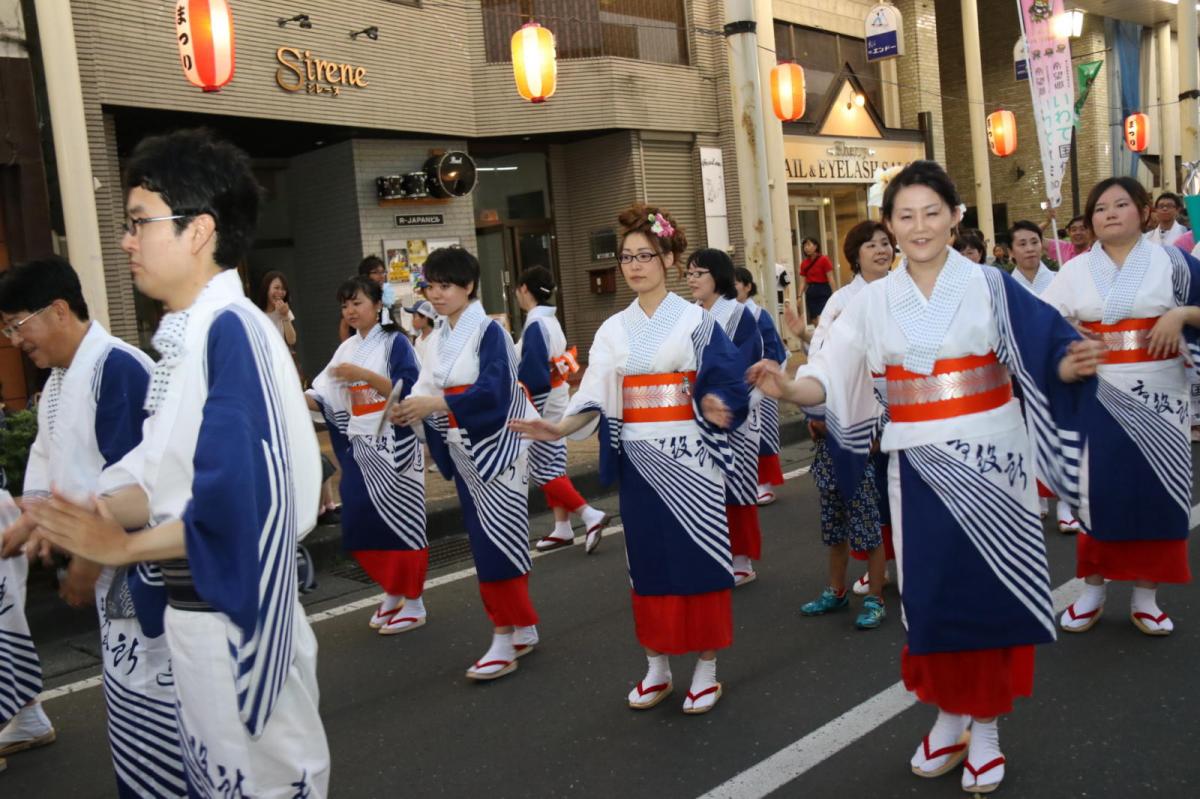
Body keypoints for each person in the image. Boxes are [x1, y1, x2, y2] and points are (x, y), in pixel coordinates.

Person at [749, 160, 1102, 793]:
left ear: (955, 217)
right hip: (917, 466)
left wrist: (1067, 367)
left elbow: (1046, 344)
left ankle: (985, 726)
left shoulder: (991, 285)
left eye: (931, 213)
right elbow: (829, 371)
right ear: (888, 224)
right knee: (931, 597)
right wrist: (792, 388)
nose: (918, 227)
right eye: (905, 215)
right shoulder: (869, 301)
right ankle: (949, 714)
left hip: (992, 463)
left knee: (988, 591)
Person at [29, 129, 330, 796]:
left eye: (139, 222)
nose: (126, 241)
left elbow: (240, 502)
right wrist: (82, 512)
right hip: (198, 620)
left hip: (236, 622)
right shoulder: (192, 339)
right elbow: (159, 476)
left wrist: (121, 545)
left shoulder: (233, 330)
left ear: (198, 231)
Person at [511, 205, 749, 715]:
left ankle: (706, 668)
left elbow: (728, 379)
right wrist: (559, 427)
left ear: (668, 259)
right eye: (627, 258)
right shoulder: (613, 329)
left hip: (692, 457)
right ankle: (656, 665)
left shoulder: (697, 321)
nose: (635, 266)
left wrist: (717, 403)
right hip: (640, 460)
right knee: (647, 563)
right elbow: (594, 394)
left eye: (646, 255)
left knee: (701, 558)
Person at [0, 256, 183, 794]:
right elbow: (49, 460)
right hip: (112, 577)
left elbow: (130, 490)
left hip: (146, 572)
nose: (14, 340)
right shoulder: (60, 380)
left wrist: (82, 560)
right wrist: (31, 523)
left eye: (17, 324)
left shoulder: (117, 368)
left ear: (58, 310)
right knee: (133, 717)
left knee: (160, 716)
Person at [1041, 176, 1200, 637]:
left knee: (1158, 494)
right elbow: (1043, 324)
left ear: (1144, 211)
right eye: (1100, 208)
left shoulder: (1175, 263)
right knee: (1097, 494)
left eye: (1121, 204)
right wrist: (1067, 340)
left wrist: (1181, 314)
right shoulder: (1074, 271)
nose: (1109, 213)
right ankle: (1092, 590)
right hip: (1098, 396)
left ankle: (1146, 596)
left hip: (1161, 398)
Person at [392, 247, 541, 680]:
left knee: (499, 540)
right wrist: (410, 409)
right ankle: (522, 625)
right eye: (431, 286)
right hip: (463, 446)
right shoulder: (438, 336)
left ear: (469, 286)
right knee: (490, 538)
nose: (436, 295)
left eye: (446, 286)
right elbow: (424, 388)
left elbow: (495, 390)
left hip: (498, 445)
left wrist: (436, 404)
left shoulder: (489, 331)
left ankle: (503, 637)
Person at [307, 276, 428, 635]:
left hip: (396, 443)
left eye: (357, 302)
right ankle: (393, 589)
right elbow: (323, 395)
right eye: (345, 305)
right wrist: (285, 396)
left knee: (402, 522)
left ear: (378, 304)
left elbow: (409, 389)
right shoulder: (346, 349)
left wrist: (360, 375)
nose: (350, 310)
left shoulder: (396, 343)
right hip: (362, 445)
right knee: (360, 521)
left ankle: (415, 602)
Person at [799, 221, 893, 629]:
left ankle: (881, 590)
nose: (881, 250)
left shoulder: (903, 293)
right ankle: (836, 590)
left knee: (878, 511)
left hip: (889, 416)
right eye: (871, 245)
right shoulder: (840, 300)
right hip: (843, 419)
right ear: (855, 255)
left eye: (886, 243)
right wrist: (816, 412)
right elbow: (820, 356)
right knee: (837, 516)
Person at [513, 267, 610, 555]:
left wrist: (529, 411)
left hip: (541, 403)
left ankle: (589, 514)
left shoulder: (535, 324)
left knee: (543, 469)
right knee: (552, 465)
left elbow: (534, 377)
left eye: (518, 289)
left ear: (524, 289)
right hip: (556, 396)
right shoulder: (549, 320)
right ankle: (562, 526)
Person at [688, 250, 763, 586]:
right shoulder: (690, 314)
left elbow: (750, 362)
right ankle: (716, 555)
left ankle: (742, 559)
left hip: (735, 413)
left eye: (699, 273)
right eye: (689, 273)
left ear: (717, 275)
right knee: (706, 489)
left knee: (737, 486)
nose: (692, 279)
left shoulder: (738, 315)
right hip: (699, 413)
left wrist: (729, 402)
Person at [1008, 221, 1081, 534]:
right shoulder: (1005, 286)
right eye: (1022, 244)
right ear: (1011, 251)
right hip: (1020, 372)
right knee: (1026, 436)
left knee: (1059, 432)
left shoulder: (1060, 279)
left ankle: (1065, 504)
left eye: (1034, 242)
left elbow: (1073, 318)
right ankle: (1036, 498)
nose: (1029, 249)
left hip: (1057, 369)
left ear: (1043, 245)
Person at [734, 268, 787, 505]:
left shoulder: (758, 315)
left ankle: (763, 483)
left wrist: (761, 380)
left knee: (761, 435)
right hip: (733, 387)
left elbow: (773, 351)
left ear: (748, 287)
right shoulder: (719, 314)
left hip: (760, 387)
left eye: (736, 283)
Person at [798, 237, 835, 322]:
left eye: (808, 245)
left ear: (815, 246)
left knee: (823, 317)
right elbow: (802, 282)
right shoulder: (804, 264)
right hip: (811, 291)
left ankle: (824, 330)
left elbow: (831, 278)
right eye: (804, 246)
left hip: (823, 290)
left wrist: (835, 294)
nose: (806, 248)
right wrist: (799, 296)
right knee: (814, 318)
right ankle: (818, 330)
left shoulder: (824, 259)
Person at [257, 270, 297, 349]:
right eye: (276, 288)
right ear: (266, 289)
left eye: (283, 289)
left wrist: (285, 315)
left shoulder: (285, 310)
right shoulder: (257, 315)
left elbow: (292, 340)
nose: (280, 292)